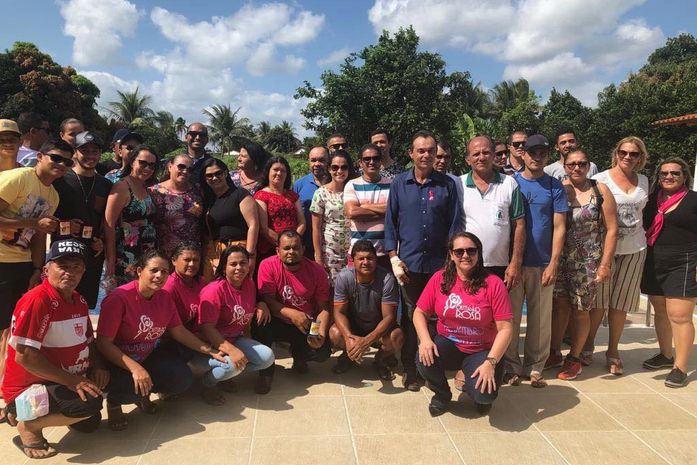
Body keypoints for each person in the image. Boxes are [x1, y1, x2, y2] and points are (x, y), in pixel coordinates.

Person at [96, 250, 225, 431]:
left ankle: (144, 394)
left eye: (164, 272)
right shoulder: (119, 298)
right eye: (154, 270)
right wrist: (136, 368)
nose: (159, 276)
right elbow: (103, 343)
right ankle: (115, 403)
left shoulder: (164, 298)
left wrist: (209, 350)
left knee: (181, 378)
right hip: (119, 362)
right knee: (131, 387)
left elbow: (179, 331)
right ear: (139, 271)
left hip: (147, 356)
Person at [1, 239, 107, 459]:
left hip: (59, 379)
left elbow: (89, 340)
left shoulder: (78, 300)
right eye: (63, 266)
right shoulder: (38, 300)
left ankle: (45, 412)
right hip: (31, 386)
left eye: (76, 267)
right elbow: (25, 356)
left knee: (90, 422)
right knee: (88, 405)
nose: (70, 272)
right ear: (47, 269)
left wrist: (98, 366)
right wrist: (73, 381)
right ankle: (28, 425)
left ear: (83, 271)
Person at [385, 130, 461, 391]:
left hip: (440, 266)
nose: (426, 155)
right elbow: (390, 222)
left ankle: (431, 367)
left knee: (438, 318)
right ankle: (410, 368)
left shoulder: (447, 185)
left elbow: (454, 224)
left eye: (430, 150)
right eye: (421, 150)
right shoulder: (399, 184)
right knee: (409, 318)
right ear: (411, 154)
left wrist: (452, 261)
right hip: (409, 266)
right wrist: (393, 257)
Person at [0, 139, 72, 406]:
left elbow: (39, 236)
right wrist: (33, 221)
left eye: (67, 161)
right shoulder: (18, 178)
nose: (61, 164)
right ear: (40, 156)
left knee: (11, 328)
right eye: (56, 158)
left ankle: (7, 387)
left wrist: (36, 269)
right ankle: (6, 392)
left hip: (21, 262)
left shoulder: (53, 196)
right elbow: (36, 225)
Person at [415, 232, 513, 417]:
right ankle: (442, 395)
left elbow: (505, 329)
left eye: (471, 251)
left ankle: (478, 382)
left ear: (478, 253)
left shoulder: (493, 284)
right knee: (423, 358)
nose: (465, 255)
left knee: (484, 396)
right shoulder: (440, 278)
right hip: (449, 343)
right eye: (459, 252)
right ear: (451, 255)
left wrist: (491, 362)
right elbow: (419, 312)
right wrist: (425, 341)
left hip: (482, 349)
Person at [503, 134, 567, 388]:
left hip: (542, 262)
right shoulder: (511, 183)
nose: (536, 157)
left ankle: (535, 367)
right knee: (510, 317)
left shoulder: (554, 186)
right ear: (523, 154)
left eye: (542, 153)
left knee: (540, 320)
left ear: (548, 156)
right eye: (532, 152)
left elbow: (559, 227)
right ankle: (511, 366)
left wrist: (554, 263)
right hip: (513, 263)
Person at [548, 150, 618, 380]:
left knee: (580, 310)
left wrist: (605, 264)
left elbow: (612, 229)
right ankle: (554, 352)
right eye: (571, 164)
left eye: (581, 164)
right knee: (559, 306)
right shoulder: (559, 189)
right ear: (565, 167)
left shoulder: (600, 190)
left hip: (587, 261)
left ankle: (575, 357)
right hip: (560, 258)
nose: (576, 168)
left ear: (588, 166)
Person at [584, 136, 649, 373]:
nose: (628, 157)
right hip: (604, 250)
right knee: (598, 303)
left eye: (634, 153)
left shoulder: (645, 181)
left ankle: (613, 351)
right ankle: (588, 345)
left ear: (640, 157)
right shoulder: (600, 179)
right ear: (617, 153)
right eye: (624, 152)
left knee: (620, 304)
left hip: (635, 249)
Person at [641, 158, 697, 388]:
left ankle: (680, 367)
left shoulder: (694, 200)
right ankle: (665, 355)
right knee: (661, 311)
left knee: (679, 316)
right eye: (664, 173)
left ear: (684, 176)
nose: (669, 177)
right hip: (654, 260)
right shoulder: (652, 198)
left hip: (684, 261)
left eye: (675, 173)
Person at [197, 246, 275, 402]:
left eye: (243, 263)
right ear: (224, 267)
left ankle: (224, 376)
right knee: (233, 366)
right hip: (208, 344)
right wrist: (232, 351)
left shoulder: (249, 284)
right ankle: (207, 384)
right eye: (233, 264)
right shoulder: (214, 290)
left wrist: (260, 304)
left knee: (267, 358)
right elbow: (206, 328)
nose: (239, 268)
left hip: (234, 338)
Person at [52, 131, 112, 309]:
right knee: (58, 303)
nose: (90, 156)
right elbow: (44, 218)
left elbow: (106, 221)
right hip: (63, 253)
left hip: (91, 256)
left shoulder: (106, 185)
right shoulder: (60, 180)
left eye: (95, 151)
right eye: (85, 151)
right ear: (75, 152)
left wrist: (101, 241)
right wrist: (65, 226)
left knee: (84, 305)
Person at [257, 230, 331, 374]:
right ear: (278, 251)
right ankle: (266, 371)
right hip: (278, 319)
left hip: (306, 322)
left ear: (303, 249)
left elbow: (323, 308)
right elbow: (268, 300)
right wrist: (292, 314)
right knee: (260, 319)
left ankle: (300, 356)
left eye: (296, 248)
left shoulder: (317, 271)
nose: (291, 252)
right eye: (286, 248)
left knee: (322, 352)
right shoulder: (267, 265)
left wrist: (319, 333)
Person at [329, 240, 403, 379]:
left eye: (370, 258)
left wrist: (366, 341)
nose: (365, 262)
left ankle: (381, 359)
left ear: (376, 259)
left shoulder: (387, 279)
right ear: (353, 261)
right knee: (334, 333)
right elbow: (339, 312)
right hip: (354, 327)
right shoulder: (344, 278)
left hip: (379, 328)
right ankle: (349, 355)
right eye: (361, 258)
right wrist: (349, 338)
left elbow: (389, 317)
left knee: (396, 336)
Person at [460, 135, 525, 284]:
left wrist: (515, 262)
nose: (481, 157)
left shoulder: (509, 183)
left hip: (500, 266)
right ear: (468, 159)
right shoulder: (458, 184)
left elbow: (519, 225)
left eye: (486, 152)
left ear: (493, 155)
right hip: (466, 264)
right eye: (476, 154)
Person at [104, 144, 158, 287]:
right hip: (126, 256)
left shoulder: (146, 187)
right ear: (132, 162)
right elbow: (109, 225)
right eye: (143, 163)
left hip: (146, 254)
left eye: (152, 165)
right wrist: (111, 261)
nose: (147, 168)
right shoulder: (122, 187)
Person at [201, 158, 258, 279]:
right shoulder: (209, 200)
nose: (214, 178)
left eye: (218, 173)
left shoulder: (240, 194)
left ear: (225, 173)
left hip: (239, 250)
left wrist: (250, 255)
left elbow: (253, 225)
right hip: (216, 252)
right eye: (209, 175)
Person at [344, 143, 392, 269]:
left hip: (385, 253)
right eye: (367, 159)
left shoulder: (392, 185)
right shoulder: (351, 185)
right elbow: (352, 213)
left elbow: (395, 210)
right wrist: (384, 212)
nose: (371, 162)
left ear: (381, 161)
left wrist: (364, 206)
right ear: (360, 163)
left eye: (376, 158)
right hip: (358, 254)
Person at [310, 149, 353, 285]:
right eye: (335, 167)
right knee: (331, 290)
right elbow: (315, 228)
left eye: (344, 167)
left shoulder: (354, 190)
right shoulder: (320, 193)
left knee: (352, 289)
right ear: (329, 169)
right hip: (329, 253)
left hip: (352, 250)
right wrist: (318, 257)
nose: (339, 171)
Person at [149, 154, 203, 256]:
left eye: (190, 169)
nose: (185, 171)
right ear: (170, 166)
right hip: (164, 255)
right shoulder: (154, 192)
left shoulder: (198, 191)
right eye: (181, 166)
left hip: (192, 256)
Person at [255, 156, 305, 259]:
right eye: (275, 169)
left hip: (294, 248)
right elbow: (263, 228)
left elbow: (302, 222)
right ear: (268, 172)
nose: (279, 173)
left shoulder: (293, 196)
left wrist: (294, 242)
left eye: (283, 171)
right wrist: (282, 244)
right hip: (270, 248)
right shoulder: (261, 195)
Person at [293, 146, 328, 257]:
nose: (317, 164)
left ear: (329, 161)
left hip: (333, 246)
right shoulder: (299, 185)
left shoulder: (337, 183)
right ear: (308, 162)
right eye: (313, 160)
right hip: (307, 248)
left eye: (321, 160)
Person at [162, 242, 205, 331]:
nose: (192, 264)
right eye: (187, 260)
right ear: (174, 261)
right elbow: (170, 329)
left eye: (196, 260)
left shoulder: (201, 282)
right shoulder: (168, 288)